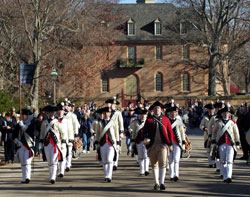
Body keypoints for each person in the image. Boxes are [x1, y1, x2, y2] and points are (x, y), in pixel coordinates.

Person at [143, 101, 174, 191]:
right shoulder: (149, 120)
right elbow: (144, 131)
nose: (157, 110)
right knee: (154, 164)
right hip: (152, 145)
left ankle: (162, 183)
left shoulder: (166, 119)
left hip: (163, 144)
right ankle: (156, 182)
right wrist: (145, 138)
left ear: (161, 110)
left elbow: (170, 132)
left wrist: (171, 144)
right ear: (153, 110)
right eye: (155, 108)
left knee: (163, 162)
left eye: (158, 108)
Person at [212, 104, 240, 183]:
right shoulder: (218, 122)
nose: (226, 114)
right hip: (221, 143)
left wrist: (237, 142)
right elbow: (214, 132)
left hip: (230, 144)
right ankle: (224, 175)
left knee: (229, 161)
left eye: (227, 113)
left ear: (230, 114)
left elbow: (236, 133)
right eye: (224, 113)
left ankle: (228, 177)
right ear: (222, 114)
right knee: (223, 160)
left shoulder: (232, 123)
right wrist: (214, 140)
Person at [39, 105, 67, 184]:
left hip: (55, 144)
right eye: (49, 112)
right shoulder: (44, 123)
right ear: (47, 113)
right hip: (47, 144)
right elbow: (42, 133)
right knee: (50, 161)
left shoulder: (57, 122)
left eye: (52, 112)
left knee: (54, 161)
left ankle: (53, 177)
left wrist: (63, 143)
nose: (50, 114)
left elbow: (63, 132)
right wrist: (41, 143)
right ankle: (51, 175)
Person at [94, 107, 119, 182]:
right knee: (104, 161)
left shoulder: (113, 122)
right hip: (102, 143)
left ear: (110, 114)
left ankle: (109, 176)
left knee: (109, 160)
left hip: (111, 143)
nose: (106, 114)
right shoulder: (99, 123)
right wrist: (96, 142)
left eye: (107, 113)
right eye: (105, 113)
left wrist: (118, 143)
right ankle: (106, 175)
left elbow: (116, 133)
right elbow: (98, 134)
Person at [13, 109, 34, 184]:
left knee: (27, 162)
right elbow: (14, 135)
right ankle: (24, 177)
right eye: (23, 115)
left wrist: (22, 125)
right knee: (23, 163)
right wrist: (17, 142)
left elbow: (31, 132)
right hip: (21, 145)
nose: (24, 117)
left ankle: (28, 177)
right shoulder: (18, 125)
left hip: (28, 146)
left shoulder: (31, 124)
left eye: (25, 115)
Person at [166, 105, 185, 182]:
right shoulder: (167, 121)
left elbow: (182, 132)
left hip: (177, 142)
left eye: (175, 112)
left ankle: (176, 175)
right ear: (170, 113)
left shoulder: (179, 121)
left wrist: (183, 143)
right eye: (172, 112)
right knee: (170, 160)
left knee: (176, 160)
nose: (173, 114)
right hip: (169, 142)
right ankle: (171, 175)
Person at [105, 98, 124, 171]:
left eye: (113, 104)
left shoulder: (118, 113)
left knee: (116, 147)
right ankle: (109, 161)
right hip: (107, 131)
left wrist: (121, 131)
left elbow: (120, 122)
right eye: (111, 104)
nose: (112, 105)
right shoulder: (106, 112)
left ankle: (115, 163)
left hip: (115, 131)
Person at [130, 109, 149, 176]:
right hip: (139, 141)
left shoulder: (149, 122)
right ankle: (142, 170)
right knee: (140, 156)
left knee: (146, 156)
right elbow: (133, 132)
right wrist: (133, 140)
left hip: (146, 140)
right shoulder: (135, 122)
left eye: (144, 114)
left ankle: (146, 169)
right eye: (141, 115)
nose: (143, 116)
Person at [200, 103, 215, 167]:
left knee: (214, 149)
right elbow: (201, 125)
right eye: (210, 109)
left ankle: (215, 162)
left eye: (212, 109)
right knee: (208, 149)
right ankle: (210, 163)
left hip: (214, 135)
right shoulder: (205, 117)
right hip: (207, 135)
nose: (211, 110)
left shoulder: (216, 117)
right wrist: (204, 128)